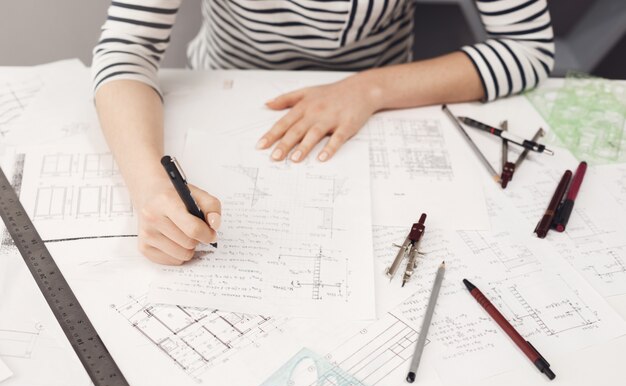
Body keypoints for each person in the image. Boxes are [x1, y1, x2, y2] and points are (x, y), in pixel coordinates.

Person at [92, 0, 554, 265]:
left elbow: (528, 50)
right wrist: (150, 186)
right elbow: (126, 48)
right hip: (226, 93)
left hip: (382, 106)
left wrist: (370, 88)